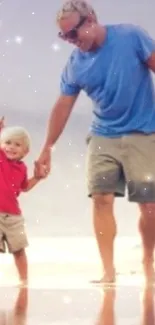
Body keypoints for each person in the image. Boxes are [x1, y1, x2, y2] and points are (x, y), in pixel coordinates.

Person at [35, 0, 155, 284]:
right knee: (101, 198)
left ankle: (148, 261)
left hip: (143, 132)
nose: (71, 42)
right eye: (64, 37)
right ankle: (108, 271)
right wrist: (47, 149)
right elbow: (62, 106)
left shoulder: (130, 36)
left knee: (149, 205)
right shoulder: (76, 64)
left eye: (73, 34)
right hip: (103, 134)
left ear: (91, 20)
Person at [0, 117, 48, 286]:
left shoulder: (22, 168)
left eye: (17, 145)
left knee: (19, 249)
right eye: (8, 142)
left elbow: (25, 187)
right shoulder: (0, 159)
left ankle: (24, 280)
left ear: (25, 152)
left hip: (13, 216)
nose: (11, 147)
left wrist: (38, 177)